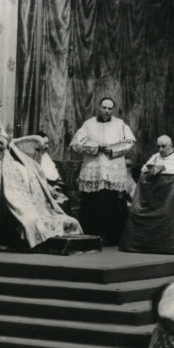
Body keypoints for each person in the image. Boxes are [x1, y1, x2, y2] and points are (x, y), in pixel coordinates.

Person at [0, 81, 82, 248]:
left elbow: (8, 140)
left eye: (0, 106)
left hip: (7, 155)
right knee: (19, 174)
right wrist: (3, 141)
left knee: (30, 170)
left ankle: (40, 211)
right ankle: (24, 216)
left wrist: (9, 142)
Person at [69, 98, 137, 245]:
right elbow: (76, 143)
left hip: (112, 169)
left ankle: (111, 238)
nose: (107, 111)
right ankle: (90, 236)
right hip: (94, 168)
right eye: (104, 107)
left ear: (113, 109)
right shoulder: (88, 124)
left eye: (110, 108)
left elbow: (130, 141)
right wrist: (96, 148)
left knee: (111, 203)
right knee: (92, 203)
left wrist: (112, 149)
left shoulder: (120, 124)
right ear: (99, 107)